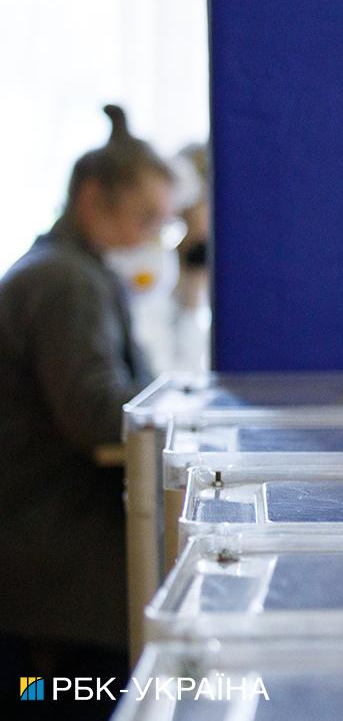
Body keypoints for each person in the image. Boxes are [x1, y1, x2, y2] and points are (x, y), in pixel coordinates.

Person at [0, 105, 174, 716]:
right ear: (94, 199)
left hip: (51, 562)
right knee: (64, 698)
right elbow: (98, 413)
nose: (151, 239)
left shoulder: (68, 271)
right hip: (60, 580)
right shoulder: (65, 282)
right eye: (145, 219)